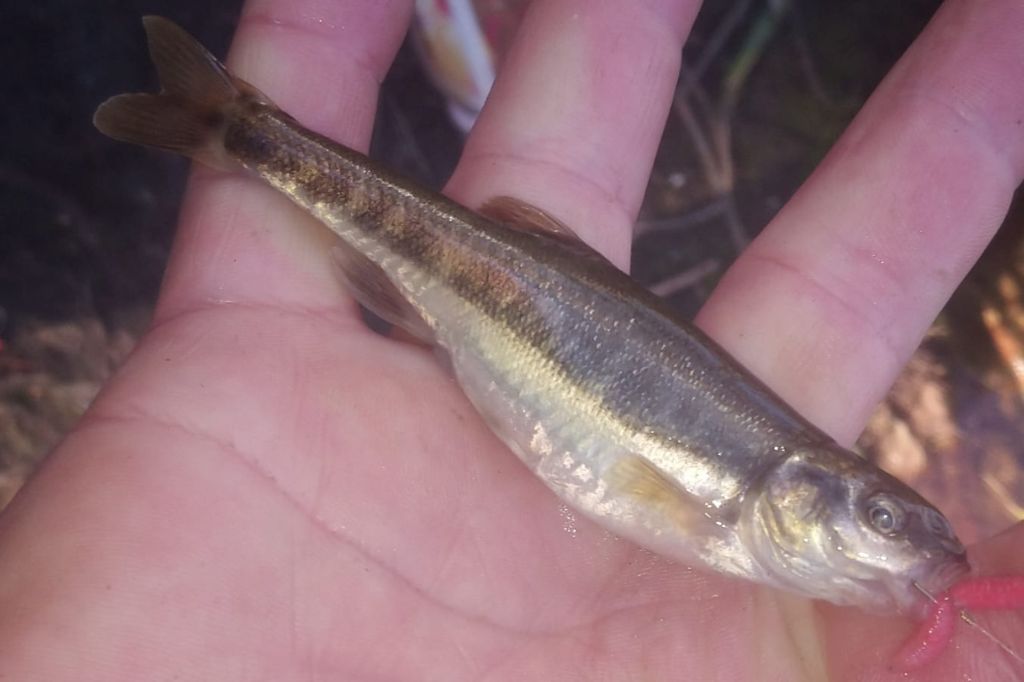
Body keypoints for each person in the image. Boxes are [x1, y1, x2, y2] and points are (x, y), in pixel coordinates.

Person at [2, 0, 1023, 679]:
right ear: (810, 490)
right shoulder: (745, 499)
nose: (910, 545)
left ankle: (246, 130)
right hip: (486, 293)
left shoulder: (757, 527)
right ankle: (250, 133)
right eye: (884, 518)